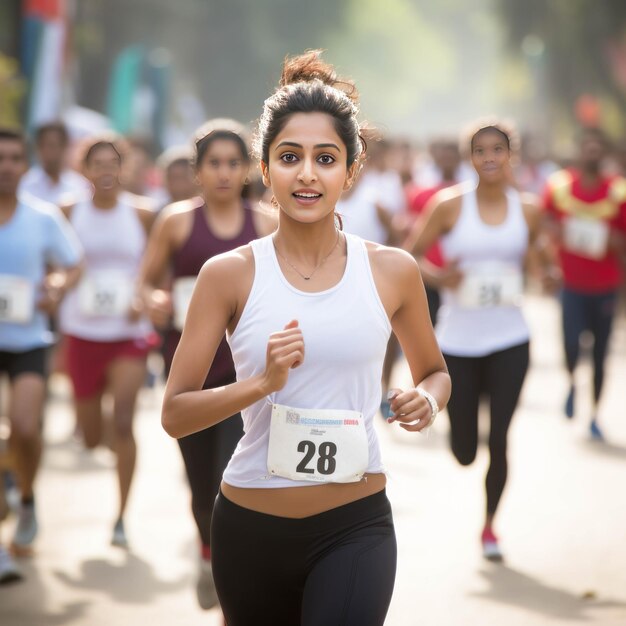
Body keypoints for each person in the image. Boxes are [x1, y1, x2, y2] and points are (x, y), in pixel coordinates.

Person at [162, 51, 450, 625]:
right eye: (290, 158)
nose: (308, 174)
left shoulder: (393, 270)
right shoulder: (229, 273)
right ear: (265, 170)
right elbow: (175, 414)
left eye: (326, 158)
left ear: (351, 168)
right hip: (250, 528)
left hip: (356, 525)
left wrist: (429, 398)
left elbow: (434, 371)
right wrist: (261, 384)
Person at [139, 119, 275, 610]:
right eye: (213, 163)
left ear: (247, 170)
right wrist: (154, 300)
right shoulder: (176, 221)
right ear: (196, 171)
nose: (223, 173)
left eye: (232, 163)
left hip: (245, 375)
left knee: (228, 478)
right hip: (190, 373)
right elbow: (146, 281)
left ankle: (230, 569)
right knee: (200, 484)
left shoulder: (264, 223)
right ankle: (206, 547)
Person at [409, 121, 557, 562]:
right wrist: (440, 276)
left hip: (511, 338)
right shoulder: (449, 206)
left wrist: (546, 274)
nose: (489, 158)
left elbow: (537, 257)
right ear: (469, 157)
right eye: (480, 150)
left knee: (501, 440)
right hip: (457, 342)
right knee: (465, 450)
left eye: (498, 149)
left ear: (510, 154)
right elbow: (410, 254)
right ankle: (461, 437)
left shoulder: (527, 209)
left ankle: (490, 526)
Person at [59, 135, 156, 548]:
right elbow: (54, 262)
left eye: (112, 163)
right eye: (96, 163)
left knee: (123, 422)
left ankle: (121, 516)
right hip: (82, 332)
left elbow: (157, 266)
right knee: (93, 435)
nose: (105, 171)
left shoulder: (143, 214)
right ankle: (93, 434)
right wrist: (57, 283)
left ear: (124, 168)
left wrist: (145, 294)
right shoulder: (67, 211)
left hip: (128, 334)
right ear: (84, 170)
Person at [0, 128, 82, 581]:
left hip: (28, 340)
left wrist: (56, 287)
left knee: (25, 430)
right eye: (0, 158)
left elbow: (73, 263)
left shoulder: (43, 217)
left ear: (24, 166)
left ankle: (27, 498)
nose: (6, 166)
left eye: (14, 158)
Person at [543, 127, 626, 441]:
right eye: (586, 148)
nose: (591, 154)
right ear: (579, 152)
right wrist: (557, 232)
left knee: (601, 352)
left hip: (605, 285)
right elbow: (545, 221)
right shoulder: (560, 186)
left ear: (603, 154)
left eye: (597, 149)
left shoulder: (619, 191)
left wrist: (609, 239)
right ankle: (571, 381)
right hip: (571, 283)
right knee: (571, 344)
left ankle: (594, 413)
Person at [18, 121, 90, 205]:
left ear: (64, 147)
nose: (49, 151)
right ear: (38, 148)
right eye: (45, 145)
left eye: (54, 145)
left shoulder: (80, 187)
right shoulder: (24, 184)